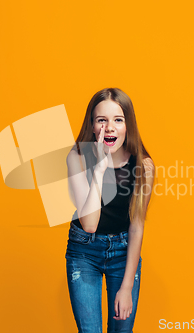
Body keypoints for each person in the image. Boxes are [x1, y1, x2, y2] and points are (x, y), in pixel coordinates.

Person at [65, 88, 155, 333]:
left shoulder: (144, 166)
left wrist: (126, 287)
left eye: (118, 120)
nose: (110, 127)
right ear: (93, 126)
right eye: (101, 120)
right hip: (84, 252)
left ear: (128, 125)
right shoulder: (77, 157)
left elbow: (137, 226)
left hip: (124, 253)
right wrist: (99, 169)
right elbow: (90, 224)